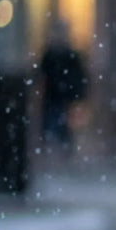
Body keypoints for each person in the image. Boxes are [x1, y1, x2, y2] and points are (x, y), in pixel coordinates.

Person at [40, 21, 87, 151]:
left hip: (63, 96)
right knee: (53, 124)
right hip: (54, 96)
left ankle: (61, 148)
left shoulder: (69, 55)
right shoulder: (51, 54)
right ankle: (56, 148)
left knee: (63, 126)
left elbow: (78, 76)